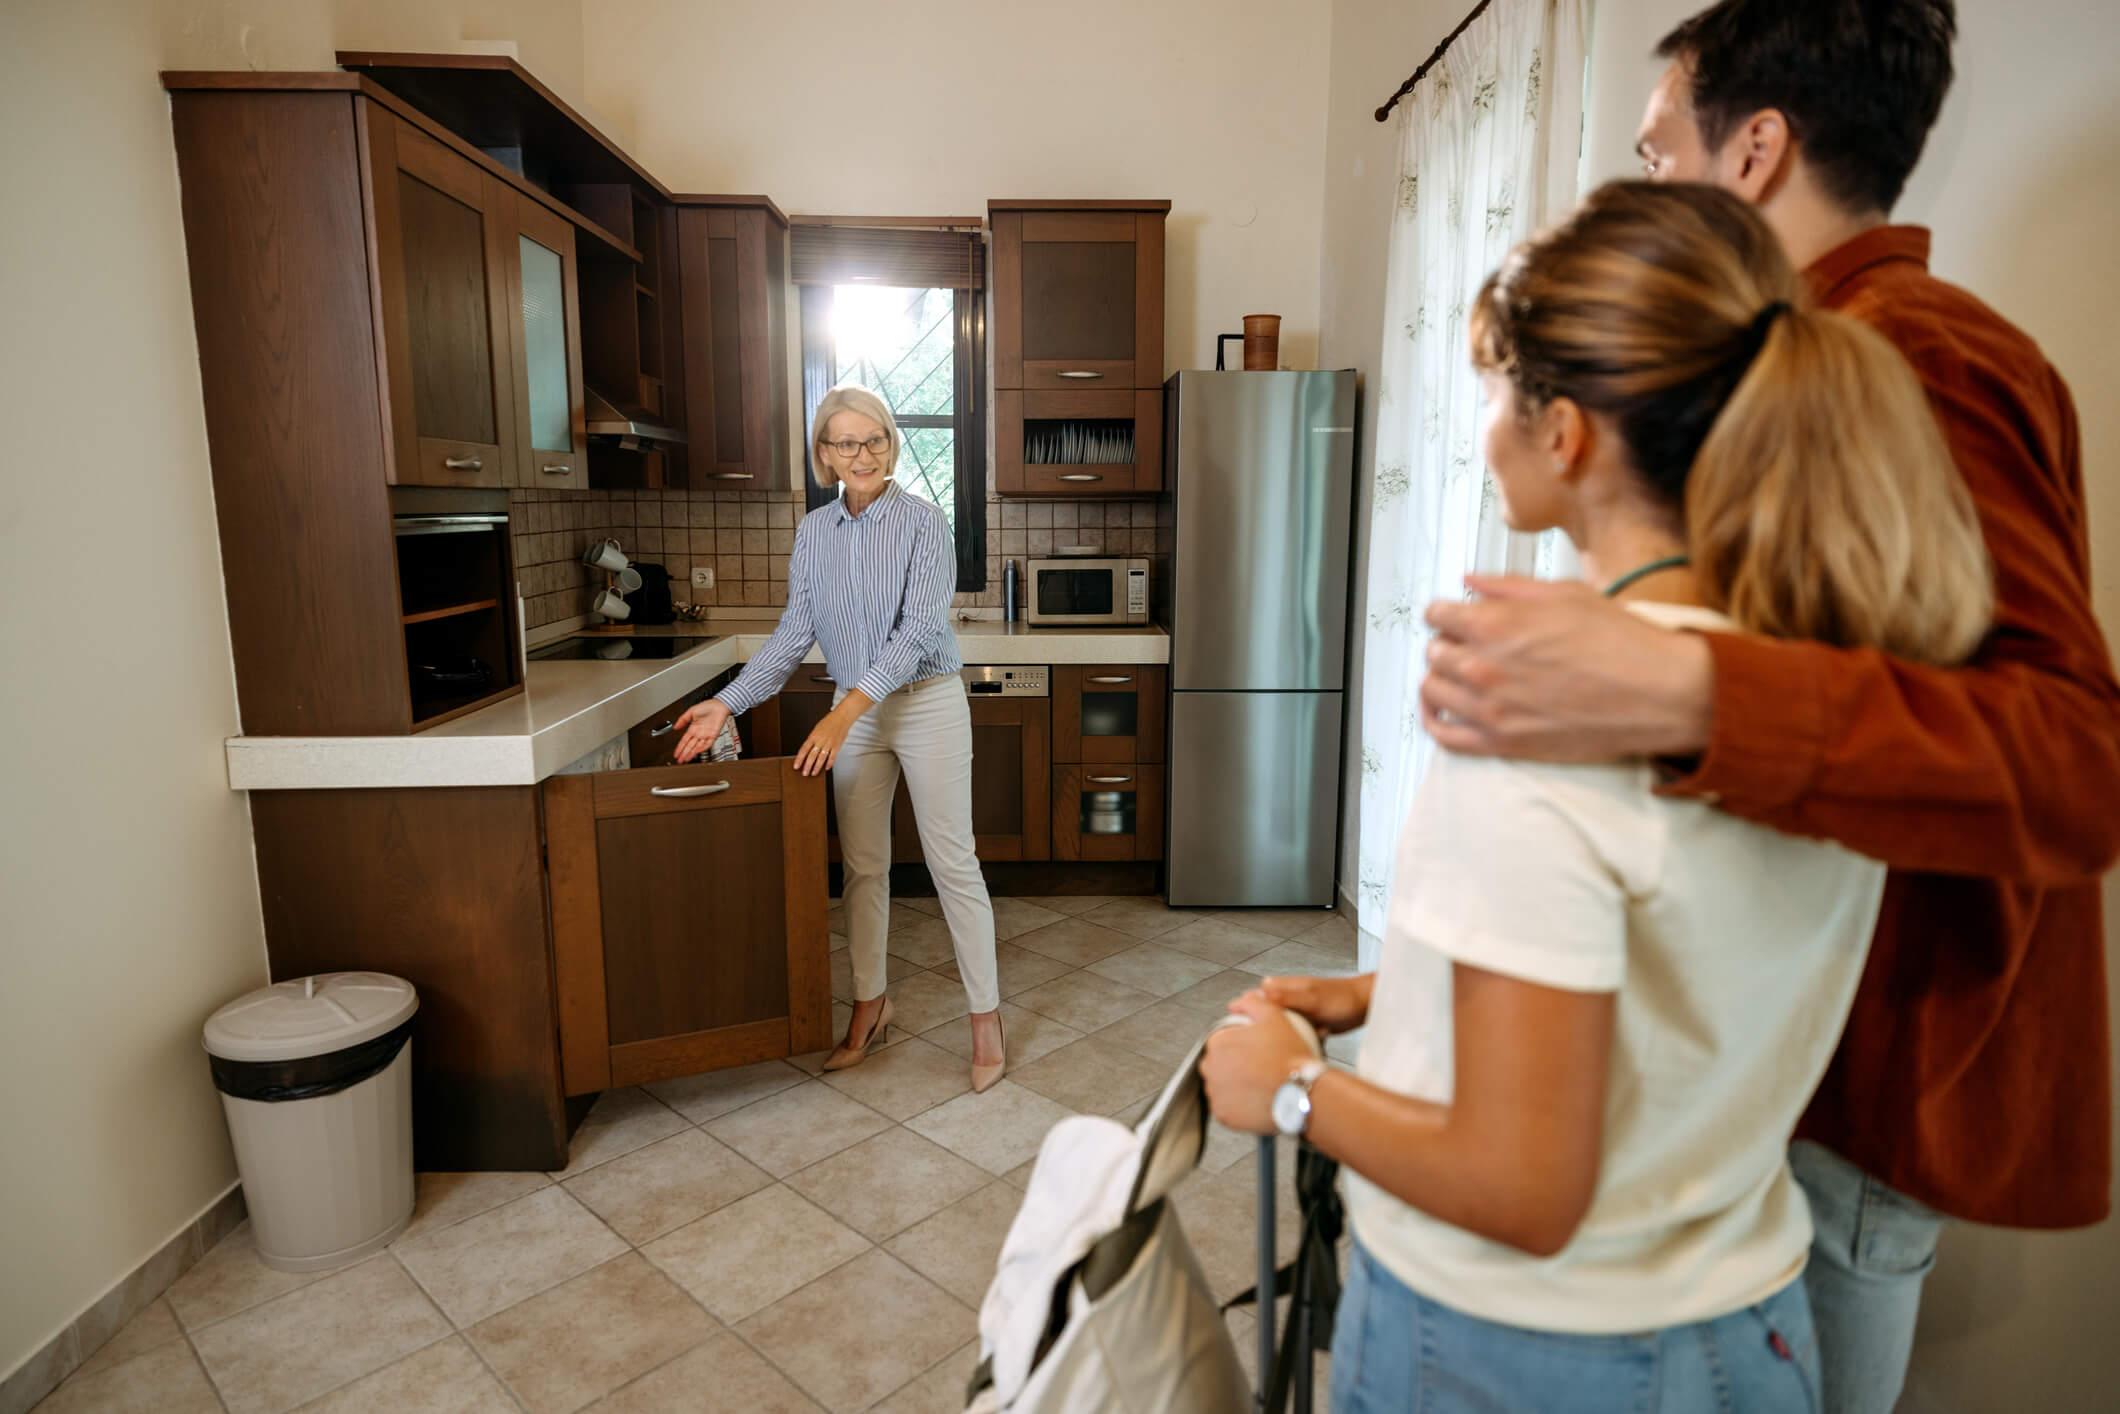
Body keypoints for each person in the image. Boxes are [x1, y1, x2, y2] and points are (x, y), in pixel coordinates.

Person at [1416, 3, 2120, 1408]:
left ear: (1753, 152)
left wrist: (1681, 684)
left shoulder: (1908, 356)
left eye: (1654, 150)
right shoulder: (1798, 358)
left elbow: (2078, 759)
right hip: (1773, 1057)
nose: (1636, 193)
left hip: (1847, 1088)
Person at [1202, 180, 1993, 1412]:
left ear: (1561, 432)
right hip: (1745, 1329)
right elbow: (1680, 969)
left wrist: (1291, 1089)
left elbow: (1523, 1187)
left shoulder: (1531, 724)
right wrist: (1389, 989)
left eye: (1490, 394)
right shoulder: (1824, 695)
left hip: (1516, 1355)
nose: (1482, 428)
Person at [671, 385, 1007, 1090]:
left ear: (891, 445)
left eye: (876, 439)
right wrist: (724, 704)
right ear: (824, 454)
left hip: (925, 705)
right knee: (862, 867)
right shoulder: (813, 533)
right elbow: (795, 634)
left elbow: (918, 632)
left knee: (953, 864)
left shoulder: (924, 522)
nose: (863, 454)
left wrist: (844, 710)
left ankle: (985, 1019)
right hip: (855, 714)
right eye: (847, 443)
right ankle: (870, 1006)